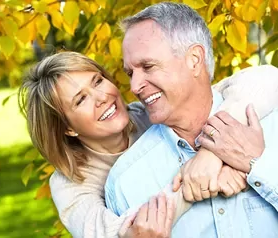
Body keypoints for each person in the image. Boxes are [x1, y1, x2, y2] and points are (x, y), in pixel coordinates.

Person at [19, 53, 277, 237]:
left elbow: (263, 80)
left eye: (97, 81)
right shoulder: (71, 183)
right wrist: (211, 178)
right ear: (68, 128)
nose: (102, 98)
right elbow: (125, 234)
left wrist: (213, 153)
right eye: (80, 100)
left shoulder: (151, 113)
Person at [104, 2, 278, 237]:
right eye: (130, 73)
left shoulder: (272, 121)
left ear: (194, 59)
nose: (134, 86)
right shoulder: (125, 182)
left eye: (148, 66)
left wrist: (257, 167)